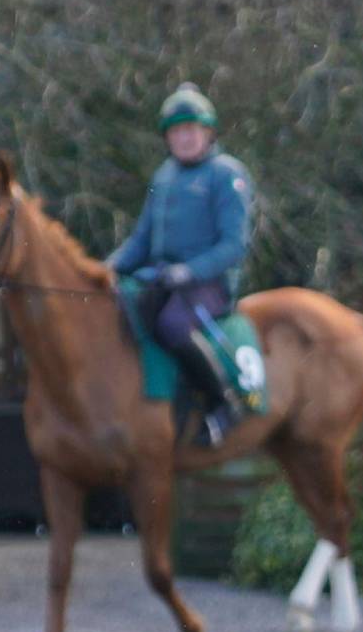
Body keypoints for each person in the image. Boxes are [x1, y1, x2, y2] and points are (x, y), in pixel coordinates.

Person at [108, 82, 255, 448]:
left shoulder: (226, 175)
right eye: (176, 131)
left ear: (208, 132)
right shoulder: (164, 176)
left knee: (172, 324)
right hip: (161, 279)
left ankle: (223, 406)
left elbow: (233, 245)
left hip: (207, 284)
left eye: (191, 130)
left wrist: (188, 272)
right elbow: (142, 239)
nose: (184, 138)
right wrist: (104, 270)